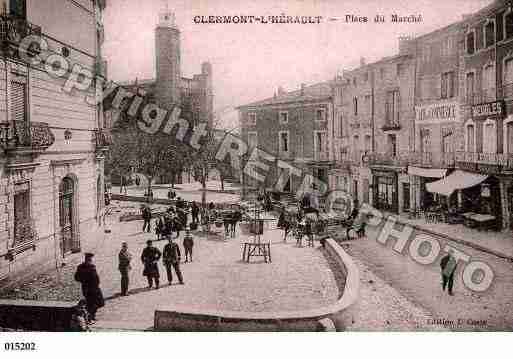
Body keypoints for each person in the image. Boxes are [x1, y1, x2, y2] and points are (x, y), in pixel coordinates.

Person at [74, 253, 104, 323]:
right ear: (86, 260)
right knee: (91, 303)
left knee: (99, 303)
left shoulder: (91, 266)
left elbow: (96, 278)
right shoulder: (81, 267)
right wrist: (84, 280)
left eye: (90, 260)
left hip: (94, 288)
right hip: (89, 289)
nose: (90, 261)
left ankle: (91, 316)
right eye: (89, 260)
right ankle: (89, 318)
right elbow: (76, 278)